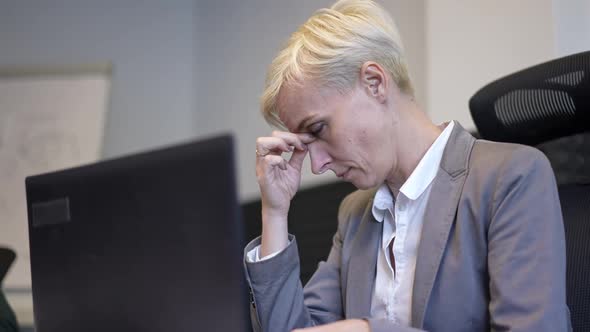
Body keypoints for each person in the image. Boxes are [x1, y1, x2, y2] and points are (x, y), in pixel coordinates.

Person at [243, 0, 571, 331]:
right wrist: (274, 212)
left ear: (374, 82)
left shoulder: (510, 178)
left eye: (318, 130)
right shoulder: (355, 216)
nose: (317, 165)